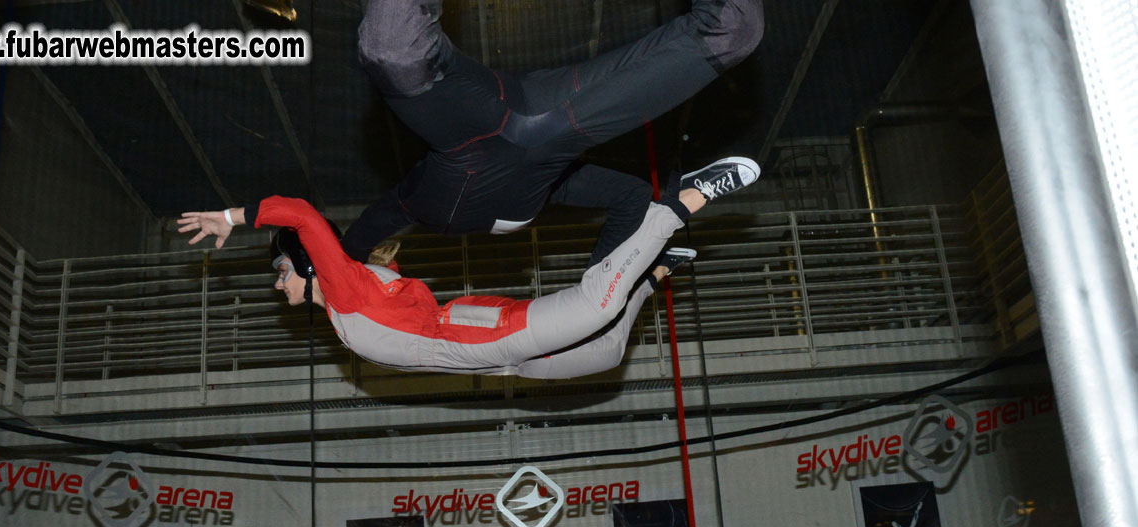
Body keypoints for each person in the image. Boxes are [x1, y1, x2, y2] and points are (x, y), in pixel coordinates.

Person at [177, 158, 752, 379]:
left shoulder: (343, 287)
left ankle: (683, 202)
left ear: (307, 267)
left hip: (474, 337)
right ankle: (652, 274)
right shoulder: (345, 303)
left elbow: (301, 214)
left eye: (281, 271)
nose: (279, 286)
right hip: (483, 359)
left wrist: (235, 215)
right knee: (605, 352)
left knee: (596, 304)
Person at [345, 0, 764, 267]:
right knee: (730, 30)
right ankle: (624, 264)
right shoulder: (408, 206)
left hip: (515, 138)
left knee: (734, 27)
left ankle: (623, 263)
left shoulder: (409, 204)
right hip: (521, 166)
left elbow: (367, 228)